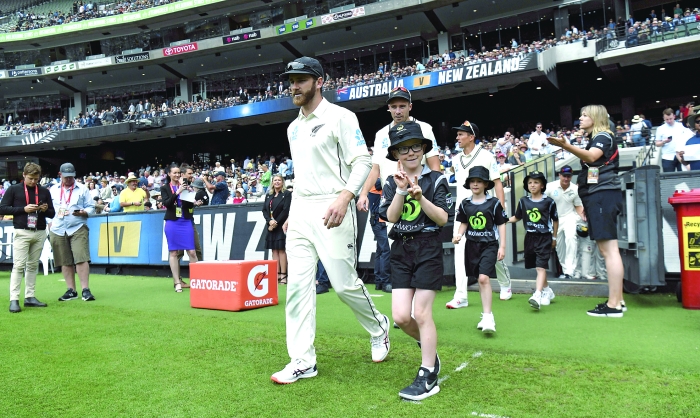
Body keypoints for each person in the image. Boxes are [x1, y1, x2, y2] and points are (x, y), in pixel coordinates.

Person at [271, 57, 390, 384]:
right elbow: (302, 174)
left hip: (334, 207)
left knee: (343, 284)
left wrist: (345, 197)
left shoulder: (341, 117)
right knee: (296, 289)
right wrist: (293, 212)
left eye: (301, 80)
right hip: (301, 211)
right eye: (291, 80)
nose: (294, 86)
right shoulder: (292, 127)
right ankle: (302, 361)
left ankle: (379, 327)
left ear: (319, 81)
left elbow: (363, 161)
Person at [378, 121, 449, 400]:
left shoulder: (436, 180)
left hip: (428, 246)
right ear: (396, 153)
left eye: (415, 147)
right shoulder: (389, 182)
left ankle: (428, 373)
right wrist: (400, 191)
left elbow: (442, 218)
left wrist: (420, 197)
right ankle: (429, 349)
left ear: (424, 148)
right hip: (401, 250)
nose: (410, 152)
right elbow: (391, 217)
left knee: (421, 313)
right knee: (400, 317)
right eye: (403, 148)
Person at [357, 85, 440, 292]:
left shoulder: (424, 128)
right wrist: (364, 192)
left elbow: (434, 163)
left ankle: (416, 305)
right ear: (388, 109)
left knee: (420, 247)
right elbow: (375, 167)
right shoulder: (381, 134)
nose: (398, 110)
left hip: (419, 195)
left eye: (402, 106)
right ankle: (404, 306)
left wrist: (433, 191)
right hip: (393, 196)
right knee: (396, 247)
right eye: (393, 106)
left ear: (410, 106)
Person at [547, 104, 626, 317]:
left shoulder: (603, 137)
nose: (579, 119)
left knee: (609, 250)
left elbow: (591, 157)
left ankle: (615, 305)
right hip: (599, 196)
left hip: (602, 195)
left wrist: (566, 146)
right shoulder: (599, 137)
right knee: (608, 250)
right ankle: (617, 300)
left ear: (596, 118)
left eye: (584, 115)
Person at [446, 121, 513, 314]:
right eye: (457, 134)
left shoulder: (486, 156)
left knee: (492, 250)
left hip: (486, 211)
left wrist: (501, 207)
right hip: (464, 211)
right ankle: (461, 296)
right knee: (460, 249)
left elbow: (496, 182)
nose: (457, 138)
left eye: (461, 134)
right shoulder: (455, 159)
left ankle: (505, 282)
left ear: (471, 136)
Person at [452, 166, 507, 332]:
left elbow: (501, 224)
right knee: (479, 280)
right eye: (472, 181)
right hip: (471, 246)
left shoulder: (494, 203)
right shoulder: (465, 204)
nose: (475, 184)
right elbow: (464, 223)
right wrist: (459, 235)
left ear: (485, 184)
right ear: (469, 184)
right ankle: (485, 315)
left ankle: (489, 317)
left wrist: (502, 246)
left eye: (479, 181)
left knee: (484, 278)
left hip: (489, 245)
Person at [0, 163, 55, 313]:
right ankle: (14, 299)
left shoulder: (43, 191)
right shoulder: (13, 189)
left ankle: (30, 297)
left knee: (32, 265)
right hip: (22, 231)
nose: (33, 182)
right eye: (31, 178)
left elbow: (52, 213)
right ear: (24, 175)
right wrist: (23, 210)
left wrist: (45, 209)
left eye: (36, 179)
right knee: (18, 265)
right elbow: (2, 208)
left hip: (39, 231)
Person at [508, 171, 558, 310]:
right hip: (529, 237)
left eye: (536, 182)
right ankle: (547, 291)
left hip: (544, 237)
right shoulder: (523, 201)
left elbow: (555, 220)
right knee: (538, 266)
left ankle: (537, 294)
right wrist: (503, 220)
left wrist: (554, 237)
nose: (532, 185)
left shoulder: (549, 201)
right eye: (530, 182)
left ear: (542, 185)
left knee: (540, 267)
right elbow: (517, 217)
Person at [50, 163, 96, 302]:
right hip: (58, 227)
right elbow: (48, 208)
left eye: (71, 177)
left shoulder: (82, 189)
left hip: (77, 226)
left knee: (81, 257)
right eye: (66, 177)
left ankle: (85, 289)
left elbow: (91, 207)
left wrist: (84, 212)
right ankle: (71, 290)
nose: (69, 179)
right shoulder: (52, 190)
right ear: (60, 175)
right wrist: (49, 222)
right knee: (65, 260)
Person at [161, 164, 198, 292]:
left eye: (178, 173)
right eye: (174, 173)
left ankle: (197, 280)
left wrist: (192, 198)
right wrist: (178, 192)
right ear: (169, 174)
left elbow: (188, 205)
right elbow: (167, 203)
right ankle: (177, 282)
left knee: (192, 252)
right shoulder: (165, 188)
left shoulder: (185, 186)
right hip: (172, 221)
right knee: (173, 252)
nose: (177, 175)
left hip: (186, 220)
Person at [546, 166, 584, 279]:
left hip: (569, 217)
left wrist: (584, 218)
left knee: (571, 238)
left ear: (571, 177)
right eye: (564, 176)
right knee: (559, 246)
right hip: (555, 220)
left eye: (568, 176)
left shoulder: (575, 189)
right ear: (559, 175)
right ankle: (565, 270)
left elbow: (578, 206)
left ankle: (569, 271)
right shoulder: (550, 187)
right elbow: (544, 202)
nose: (566, 179)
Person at [263, 174, 291, 285]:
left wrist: (275, 222)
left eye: (279, 180)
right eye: (275, 180)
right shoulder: (269, 194)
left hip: (281, 226)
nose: (277, 182)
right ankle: (277, 274)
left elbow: (286, 210)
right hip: (270, 226)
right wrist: (269, 221)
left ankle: (284, 275)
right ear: (272, 182)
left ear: (282, 182)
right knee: (274, 250)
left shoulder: (287, 194)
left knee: (281, 250)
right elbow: (264, 210)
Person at [655, 108, 693, 172]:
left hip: (681, 155)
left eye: (670, 119)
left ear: (674, 116)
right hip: (667, 156)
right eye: (667, 119)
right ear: (663, 118)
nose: (669, 121)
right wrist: (664, 142)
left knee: (684, 176)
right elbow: (657, 144)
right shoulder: (660, 129)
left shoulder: (682, 126)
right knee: (668, 178)